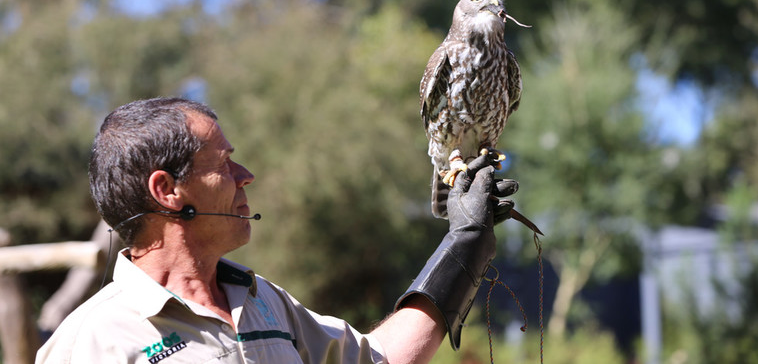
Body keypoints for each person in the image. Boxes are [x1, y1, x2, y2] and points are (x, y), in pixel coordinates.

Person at [36, 97, 518, 364]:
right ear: (167, 190)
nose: (245, 175)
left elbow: (381, 361)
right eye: (224, 163)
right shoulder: (91, 341)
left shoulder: (264, 303)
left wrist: (466, 239)